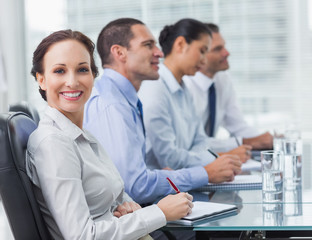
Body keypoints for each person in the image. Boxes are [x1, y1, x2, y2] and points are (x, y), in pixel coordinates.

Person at [26, 29, 193, 240]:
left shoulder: (82, 135)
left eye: (82, 70)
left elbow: (110, 201)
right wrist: (159, 212)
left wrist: (127, 208)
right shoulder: (53, 143)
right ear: (41, 80)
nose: (72, 81)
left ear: (93, 76)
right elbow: (82, 236)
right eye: (59, 71)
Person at [84, 18, 241, 205]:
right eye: (148, 45)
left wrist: (167, 175)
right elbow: (136, 188)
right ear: (119, 52)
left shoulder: (124, 99)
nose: (159, 53)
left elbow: (136, 176)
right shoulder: (113, 106)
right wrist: (204, 173)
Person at [138, 18, 251, 172]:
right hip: (162, 188)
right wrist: (215, 161)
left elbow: (200, 141)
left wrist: (215, 160)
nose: (204, 61)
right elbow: (169, 159)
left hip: (184, 179)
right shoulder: (155, 89)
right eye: (202, 51)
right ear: (181, 45)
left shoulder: (183, 89)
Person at [183, 23, 273, 151]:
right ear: (200, 54)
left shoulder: (222, 79)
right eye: (217, 49)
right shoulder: (185, 86)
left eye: (224, 46)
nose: (226, 53)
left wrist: (264, 139)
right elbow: (191, 143)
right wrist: (245, 142)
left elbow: (237, 125)